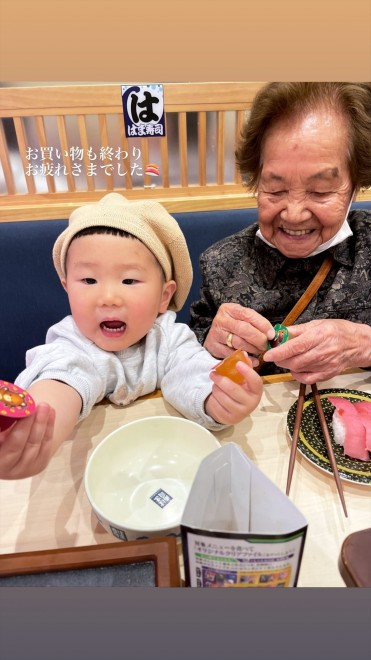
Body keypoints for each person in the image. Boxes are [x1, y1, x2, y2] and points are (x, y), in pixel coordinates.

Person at [0, 193, 262, 480]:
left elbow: (191, 372)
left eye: (129, 280)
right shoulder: (71, 341)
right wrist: (35, 431)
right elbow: (62, 378)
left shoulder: (169, 338)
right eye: (88, 280)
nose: (108, 297)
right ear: (66, 287)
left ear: (164, 296)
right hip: (87, 473)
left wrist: (218, 400)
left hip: (158, 466)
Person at [190, 82, 371, 383]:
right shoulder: (222, 262)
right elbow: (188, 343)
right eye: (275, 189)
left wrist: (364, 343)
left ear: (356, 184)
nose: (294, 214)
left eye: (320, 190)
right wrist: (209, 342)